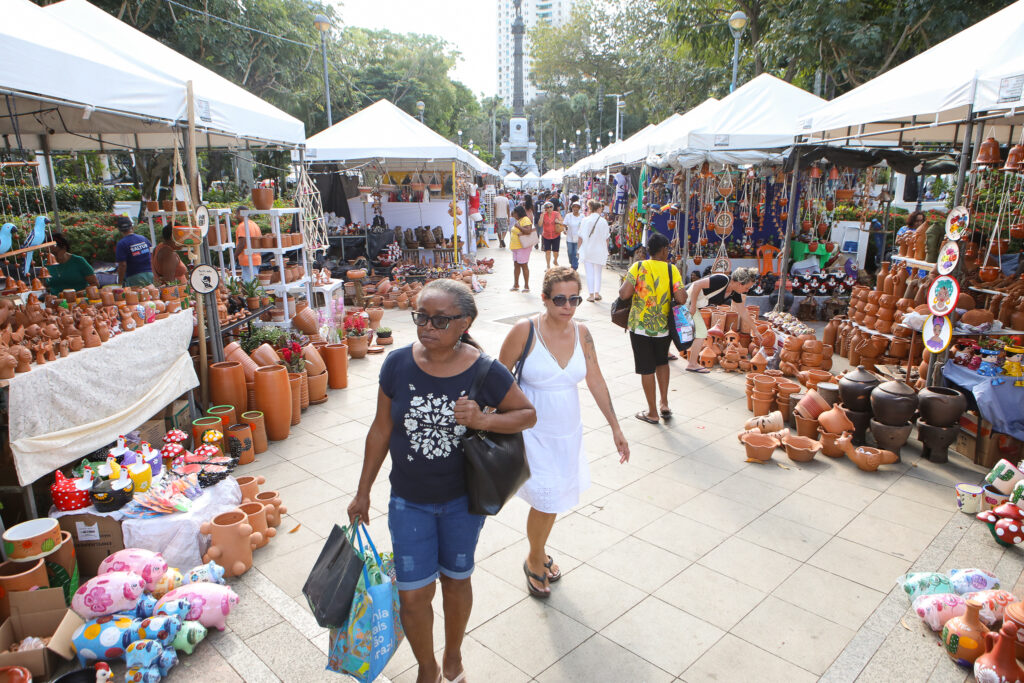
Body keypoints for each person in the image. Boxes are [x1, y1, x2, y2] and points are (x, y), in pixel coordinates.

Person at [347, 279, 535, 683]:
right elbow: (380, 429)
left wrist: (482, 419)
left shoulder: (486, 370)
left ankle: (453, 655)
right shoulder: (397, 364)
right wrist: (362, 492)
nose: (427, 327)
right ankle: (427, 667)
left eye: (440, 320)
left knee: (455, 581)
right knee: (413, 595)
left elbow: (527, 415)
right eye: (421, 317)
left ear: (465, 322)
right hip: (407, 501)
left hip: (462, 503)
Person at [499, 267, 628, 598]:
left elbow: (595, 379)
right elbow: (497, 378)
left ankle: (539, 551)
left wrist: (615, 427)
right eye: (559, 299)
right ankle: (533, 559)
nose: (568, 306)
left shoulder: (582, 333)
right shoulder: (524, 330)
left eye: (574, 299)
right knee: (546, 499)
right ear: (544, 298)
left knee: (554, 498)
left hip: (568, 432)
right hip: (532, 431)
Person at [618, 233, 687, 423]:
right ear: (664, 250)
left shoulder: (638, 267)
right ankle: (664, 404)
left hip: (640, 327)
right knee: (662, 362)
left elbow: (624, 294)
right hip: (662, 327)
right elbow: (682, 298)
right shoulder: (672, 269)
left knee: (646, 368)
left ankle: (652, 413)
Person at [685, 267, 760, 374]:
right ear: (740, 283)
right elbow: (697, 284)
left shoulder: (735, 293)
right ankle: (689, 362)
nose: (747, 291)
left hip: (693, 306)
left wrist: (755, 330)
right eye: (747, 288)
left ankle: (691, 363)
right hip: (685, 300)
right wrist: (692, 305)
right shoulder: (722, 280)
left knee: (699, 332)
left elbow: (743, 312)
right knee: (690, 330)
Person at [577, 199, 610, 301]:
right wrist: (606, 250)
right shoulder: (604, 221)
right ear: (599, 208)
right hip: (600, 250)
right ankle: (597, 294)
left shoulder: (585, 220)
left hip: (587, 250)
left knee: (589, 273)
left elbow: (580, 237)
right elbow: (607, 238)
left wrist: (579, 250)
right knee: (598, 273)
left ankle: (591, 295)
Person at [114, 217, 153, 287]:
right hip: (150, 274)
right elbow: (152, 253)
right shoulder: (143, 238)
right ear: (132, 227)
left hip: (134, 277)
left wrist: (120, 283)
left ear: (119, 230)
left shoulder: (121, 244)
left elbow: (122, 265)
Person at [509, 205, 535, 293]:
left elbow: (528, 231)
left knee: (524, 265)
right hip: (516, 247)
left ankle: (526, 286)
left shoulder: (525, 220)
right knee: (516, 265)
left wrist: (519, 227)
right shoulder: (519, 220)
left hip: (522, 247)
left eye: (515, 213)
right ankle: (516, 284)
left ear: (519, 213)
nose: (514, 215)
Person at [234, 206, 263, 282]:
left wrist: (234, 257)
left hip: (247, 260)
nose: (235, 216)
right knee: (253, 283)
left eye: (236, 214)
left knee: (250, 285)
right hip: (256, 258)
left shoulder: (243, 225)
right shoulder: (254, 224)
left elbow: (242, 243)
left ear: (240, 213)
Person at [539, 201, 564, 269]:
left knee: (556, 252)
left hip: (556, 235)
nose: (549, 208)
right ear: (545, 208)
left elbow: (562, 222)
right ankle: (548, 266)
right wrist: (542, 215)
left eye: (551, 207)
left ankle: (555, 260)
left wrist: (558, 221)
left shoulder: (556, 214)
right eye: (547, 207)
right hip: (546, 235)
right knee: (547, 251)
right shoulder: (543, 215)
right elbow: (540, 224)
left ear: (553, 207)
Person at [563, 202, 583, 271]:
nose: (575, 208)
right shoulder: (568, 216)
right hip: (570, 237)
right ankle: (572, 263)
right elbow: (564, 225)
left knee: (576, 253)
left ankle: (574, 267)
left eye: (577, 207)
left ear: (579, 208)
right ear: (572, 208)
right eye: (574, 207)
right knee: (570, 252)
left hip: (578, 238)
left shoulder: (582, 216)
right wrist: (565, 230)